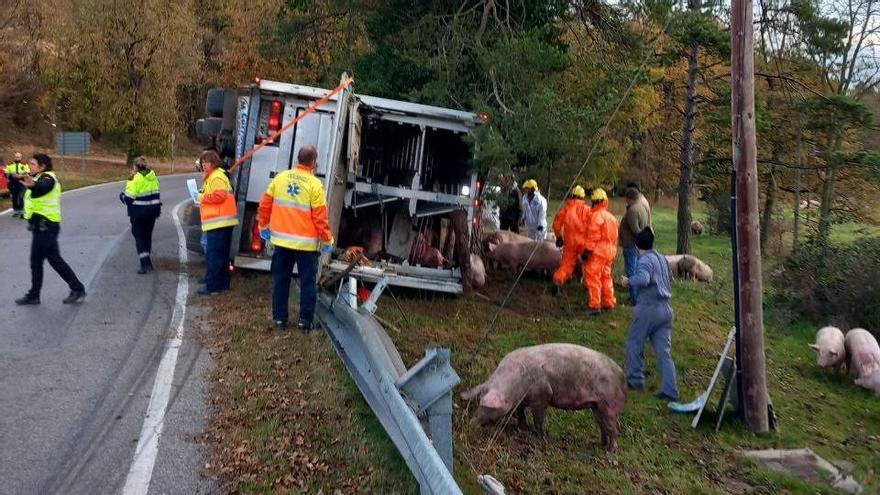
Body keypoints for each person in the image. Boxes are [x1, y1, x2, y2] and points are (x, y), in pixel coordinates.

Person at [258, 145, 334, 332]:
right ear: (314, 162)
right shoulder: (314, 184)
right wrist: (327, 240)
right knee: (307, 283)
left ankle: (279, 320)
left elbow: (265, 205)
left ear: (297, 160)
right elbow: (320, 218)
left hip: (281, 243)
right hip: (306, 246)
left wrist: (263, 226)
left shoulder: (281, 178)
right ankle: (304, 323)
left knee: (280, 281)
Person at [14, 154, 86, 305]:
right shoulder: (37, 177)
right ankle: (34, 295)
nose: (29, 166)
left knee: (54, 260)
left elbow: (42, 187)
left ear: (42, 167)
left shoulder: (48, 178)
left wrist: (32, 185)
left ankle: (78, 289)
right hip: (38, 228)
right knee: (35, 261)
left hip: (47, 227)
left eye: (33, 164)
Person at [620, 227, 678, 401]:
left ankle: (635, 379)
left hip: (649, 309)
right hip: (666, 310)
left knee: (634, 342)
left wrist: (628, 281)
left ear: (638, 246)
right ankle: (670, 389)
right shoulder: (662, 258)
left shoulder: (644, 260)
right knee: (663, 352)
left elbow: (644, 279)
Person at [198, 150, 238, 296]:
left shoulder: (216, 177)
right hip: (222, 222)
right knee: (221, 256)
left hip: (219, 223)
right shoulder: (214, 176)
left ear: (213, 163)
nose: (204, 165)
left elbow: (219, 195)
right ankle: (222, 284)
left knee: (214, 256)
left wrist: (202, 197)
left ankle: (213, 287)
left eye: (206, 162)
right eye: (202, 162)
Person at [120, 156, 162, 274]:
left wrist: (121, 196)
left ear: (135, 167)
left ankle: (145, 263)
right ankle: (147, 261)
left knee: (139, 236)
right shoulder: (153, 178)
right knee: (147, 236)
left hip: (138, 213)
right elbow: (156, 195)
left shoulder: (135, 179)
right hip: (152, 213)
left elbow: (128, 199)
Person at [581, 187, 619, 315]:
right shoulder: (611, 217)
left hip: (598, 253)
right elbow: (614, 237)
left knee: (592, 277)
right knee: (606, 277)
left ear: (595, 202)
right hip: (610, 253)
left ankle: (594, 306)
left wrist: (587, 251)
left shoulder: (595, 216)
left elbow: (593, 236)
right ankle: (609, 302)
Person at [551, 185, 591, 298]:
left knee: (566, 265)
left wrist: (559, 237)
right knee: (590, 264)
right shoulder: (588, 210)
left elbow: (557, 224)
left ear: (572, 196)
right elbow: (593, 226)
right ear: (583, 197)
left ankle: (557, 281)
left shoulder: (565, 210)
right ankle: (590, 288)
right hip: (584, 242)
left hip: (570, 243)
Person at [619, 184, 652, 305]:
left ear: (629, 198)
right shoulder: (642, 207)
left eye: (626, 198)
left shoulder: (632, 210)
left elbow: (636, 230)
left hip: (631, 246)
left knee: (631, 273)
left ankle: (635, 299)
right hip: (636, 247)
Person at [6, 152, 30, 217]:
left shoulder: (25, 165)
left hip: (22, 183)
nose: (17, 158)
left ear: (21, 157)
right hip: (13, 184)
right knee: (14, 198)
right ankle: (16, 211)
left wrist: (21, 175)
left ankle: (22, 211)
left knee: (21, 197)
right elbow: (6, 174)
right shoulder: (9, 165)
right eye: (16, 156)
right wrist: (12, 175)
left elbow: (28, 173)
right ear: (14, 157)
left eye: (19, 157)